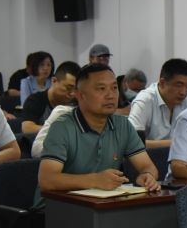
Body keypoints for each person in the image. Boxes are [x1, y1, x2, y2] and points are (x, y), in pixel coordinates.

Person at [38, 63, 161, 193]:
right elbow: (47, 180)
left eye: (114, 88)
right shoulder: (62, 127)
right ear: (80, 95)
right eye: (101, 89)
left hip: (103, 202)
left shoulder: (123, 125)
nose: (110, 95)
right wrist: (95, 180)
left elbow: (148, 166)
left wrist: (147, 176)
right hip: (60, 203)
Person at [128, 59, 187, 148]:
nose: (183, 92)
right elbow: (132, 142)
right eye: (179, 85)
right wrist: (176, 143)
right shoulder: (145, 100)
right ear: (162, 83)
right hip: (148, 155)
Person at [20, 61, 80, 134]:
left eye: (76, 89)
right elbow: (27, 128)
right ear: (54, 81)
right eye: (68, 88)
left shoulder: (77, 101)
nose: (72, 93)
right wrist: (60, 130)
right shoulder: (35, 100)